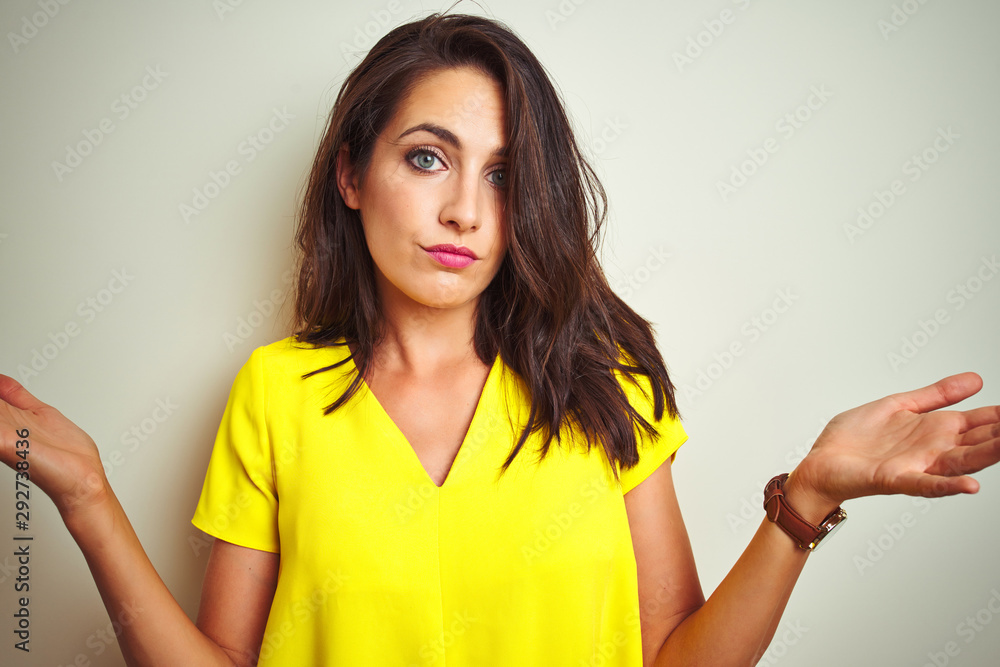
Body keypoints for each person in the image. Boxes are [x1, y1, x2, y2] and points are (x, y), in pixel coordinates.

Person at [1, 11, 998, 667]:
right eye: (426, 158)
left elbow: (675, 658)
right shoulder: (277, 391)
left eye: (504, 175)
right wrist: (87, 497)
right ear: (351, 175)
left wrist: (806, 498)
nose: (466, 212)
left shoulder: (605, 383)